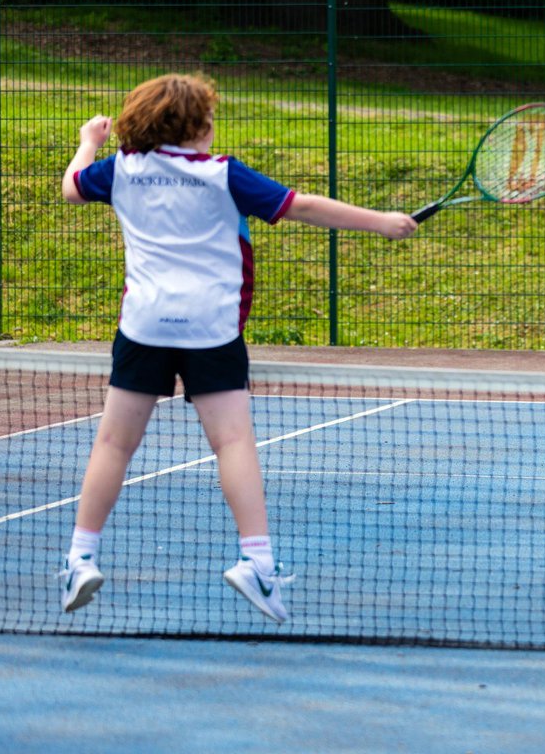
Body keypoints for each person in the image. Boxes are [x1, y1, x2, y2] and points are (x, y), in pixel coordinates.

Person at [58, 73, 418, 621]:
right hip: (212, 329)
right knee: (232, 444)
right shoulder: (223, 174)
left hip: (144, 326)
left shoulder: (121, 169)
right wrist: (383, 223)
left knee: (112, 444)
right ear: (198, 126)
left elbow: (72, 184)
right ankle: (256, 563)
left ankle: (80, 560)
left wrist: (90, 140)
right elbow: (305, 206)